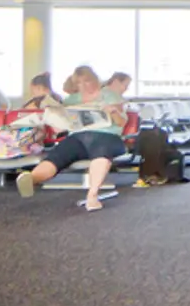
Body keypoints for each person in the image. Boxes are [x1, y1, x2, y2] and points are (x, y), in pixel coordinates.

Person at [15, 66, 128, 212]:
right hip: (78, 135)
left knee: (101, 152)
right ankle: (31, 179)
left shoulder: (110, 95)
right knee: (59, 153)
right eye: (80, 83)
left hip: (107, 135)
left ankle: (92, 196)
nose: (84, 86)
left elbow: (121, 123)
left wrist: (113, 112)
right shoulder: (71, 100)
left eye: (87, 81)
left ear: (95, 80)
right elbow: (61, 127)